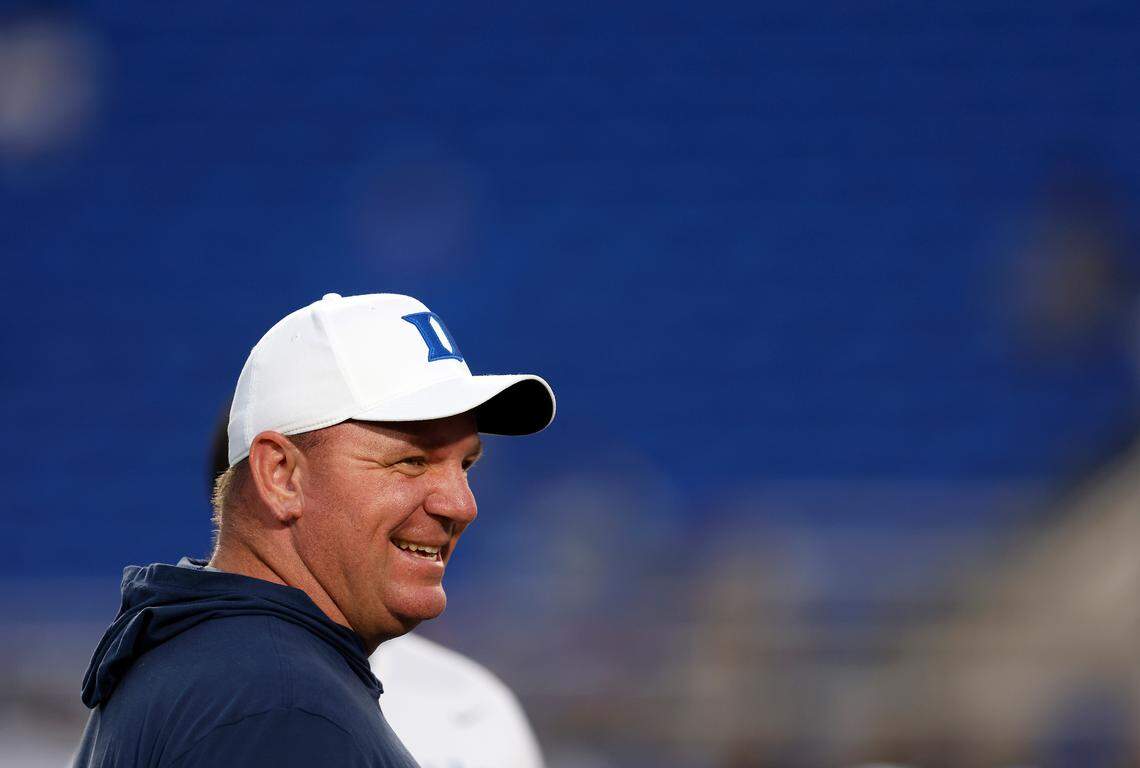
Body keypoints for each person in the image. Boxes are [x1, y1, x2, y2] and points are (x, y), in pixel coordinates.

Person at [72, 292, 556, 767]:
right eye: (410, 462)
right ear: (281, 475)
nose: (462, 505)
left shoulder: (204, 663)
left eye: (465, 465)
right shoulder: (281, 709)